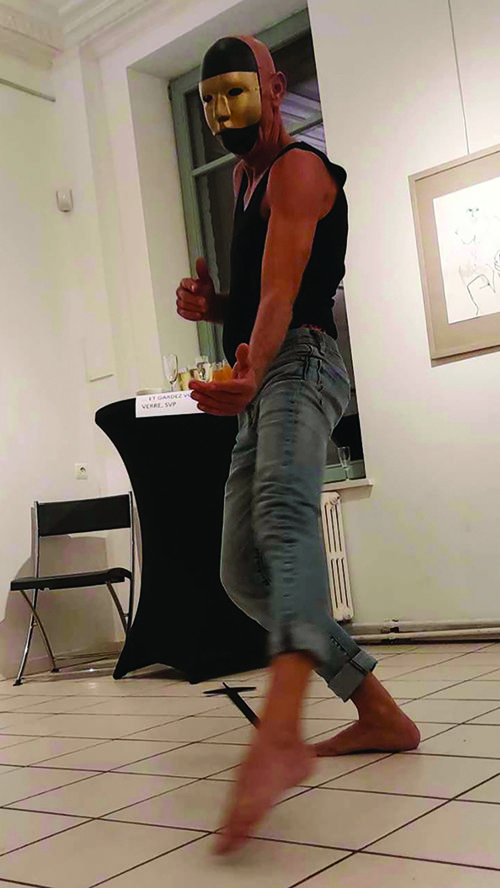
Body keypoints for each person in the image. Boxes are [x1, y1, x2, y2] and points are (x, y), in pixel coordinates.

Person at [176, 34, 420, 856]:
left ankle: (281, 732)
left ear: (276, 89)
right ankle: (379, 713)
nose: (221, 114)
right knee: (241, 572)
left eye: (235, 93)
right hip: (264, 371)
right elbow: (256, 293)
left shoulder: (298, 171)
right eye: (209, 103)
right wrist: (215, 306)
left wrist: (254, 361)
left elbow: (283, 294)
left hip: (301, 362)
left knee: (283, 518)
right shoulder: (242, 181)